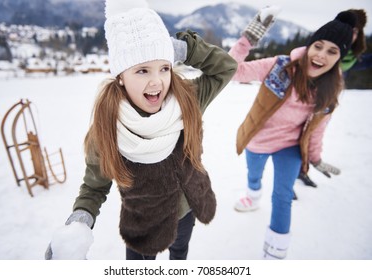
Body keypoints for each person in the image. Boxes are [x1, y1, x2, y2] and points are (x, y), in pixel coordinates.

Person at [45, 0, 237, 260]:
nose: (156, 81)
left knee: (180, 252)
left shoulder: (188, 99)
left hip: (188, 208)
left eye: (164, 68)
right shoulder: (106, 129)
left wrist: (183, 48)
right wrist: (79, 223)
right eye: (142, 70)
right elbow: (94, 188)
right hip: (143, 225)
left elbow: (225, 67)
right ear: (121, 76)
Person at [228, 7, 356, 259]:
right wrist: (247, 41)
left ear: (340, 58)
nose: (321, 55)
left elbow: (318, 128)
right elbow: (233, 72)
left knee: (283, 195)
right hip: (258, 137)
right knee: (254, 175)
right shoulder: (280, 66)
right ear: (309, 46)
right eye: (318, 46)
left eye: (333, 51)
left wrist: (315, 158)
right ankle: (253, 196)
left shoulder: (331, 89)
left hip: (291, 146)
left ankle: (275, 252)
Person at [298, 9, 369, 188]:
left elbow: (361, 64)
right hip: (306, 102)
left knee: (313, 134)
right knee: (298, 136)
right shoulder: (323, 50)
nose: (352, 34)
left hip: (327, 103)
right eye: (349, 29)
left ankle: (302, 169)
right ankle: (290, 178)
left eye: (355, 31)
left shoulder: (349, 56)